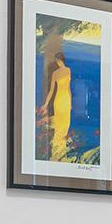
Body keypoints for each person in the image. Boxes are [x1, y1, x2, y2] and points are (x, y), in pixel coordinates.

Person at [36, 32, 73, 161]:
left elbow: (52, 91)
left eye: (57, 61)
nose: (57, 63)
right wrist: (70, 102)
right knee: (62, 125)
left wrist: (46, 104)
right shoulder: (68, 71)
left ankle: (59, 151)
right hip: (65, 100)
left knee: (62, 125)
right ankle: (59, 152)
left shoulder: (58, 72)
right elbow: (66, 89)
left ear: (59, 60)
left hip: (60, 100)